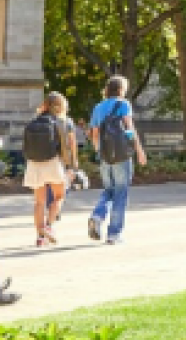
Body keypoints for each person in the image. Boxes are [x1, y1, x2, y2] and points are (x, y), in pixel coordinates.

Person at [88, 75, 147, 245]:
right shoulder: (123, 104)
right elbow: (129, 128)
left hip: (105, 155)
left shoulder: (98, 107)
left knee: (108, 190)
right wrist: (139, 150)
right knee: (120, 193)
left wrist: (99, 151)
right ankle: (113, 233)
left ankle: (97, 215)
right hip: (121, 155)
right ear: (121, 90)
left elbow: (95, 133)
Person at [24, 92, 74, 247]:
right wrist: (70, 166)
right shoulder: (60, 122)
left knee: (39, 202)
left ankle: (40, 237)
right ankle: (48, 227)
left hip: (34, 164)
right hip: (52, 162)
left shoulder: (33, 121)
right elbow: (66, 148)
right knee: (59, 196)